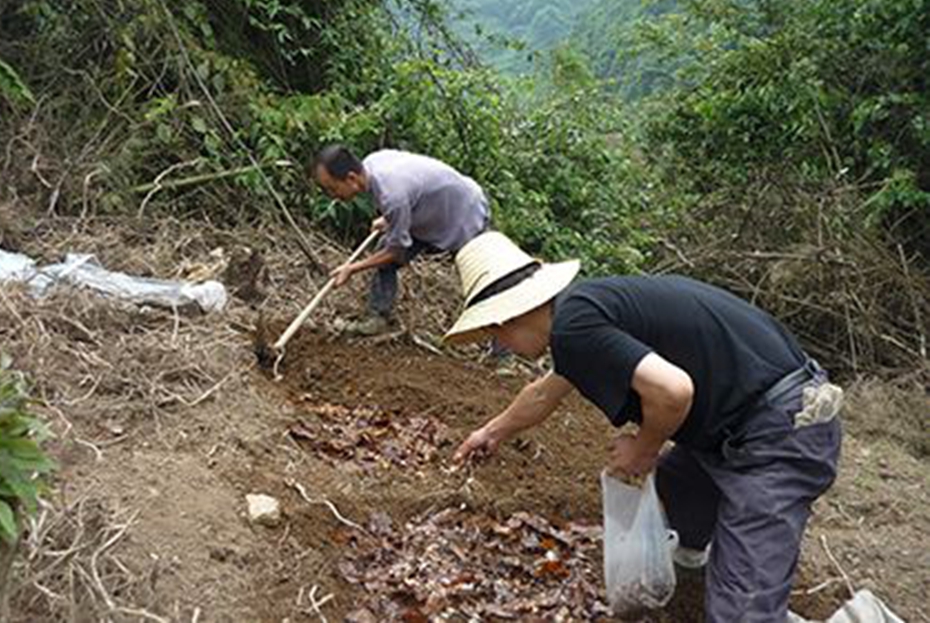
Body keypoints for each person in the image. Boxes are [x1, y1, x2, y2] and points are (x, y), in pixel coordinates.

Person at [446, 231, 843, 623]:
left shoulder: (575, 328)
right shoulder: (586, 309)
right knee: (672, 497)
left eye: (495, 332)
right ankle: (693, 581)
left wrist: (644, 447)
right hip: (740, 422)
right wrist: (492, 432)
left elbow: (674, 390)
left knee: (743, 612)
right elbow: (544, 394)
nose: (500, 344)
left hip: (779, 433)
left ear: (511, 315)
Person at [313, 144, 490, 335]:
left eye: (332, 189)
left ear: (351, 178)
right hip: (430, 213)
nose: (333, 196)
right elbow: (413, 193)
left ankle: (502, 355)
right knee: (384, 246)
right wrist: (390, 219)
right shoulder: (373, 163)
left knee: (482, 278)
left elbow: (395, 253)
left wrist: (351, 268)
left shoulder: (392, 195)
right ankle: (378, 319)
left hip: (465, 213)